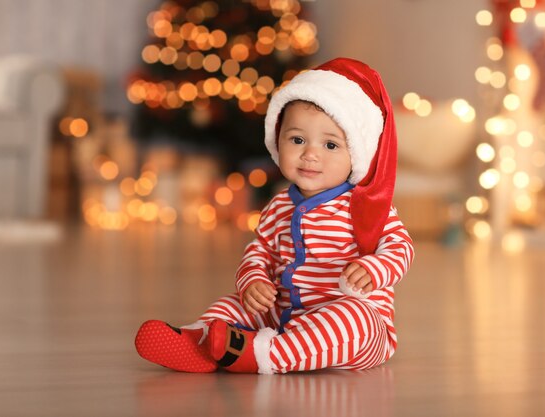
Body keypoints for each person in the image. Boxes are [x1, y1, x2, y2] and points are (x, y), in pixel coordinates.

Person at [135, 57, 414, 374]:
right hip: (282, 313)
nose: (310, 154)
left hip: (353, 317)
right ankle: (200, 340)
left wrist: (374, 267)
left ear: (358, 155)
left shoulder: (365, 206)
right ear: (277, 141)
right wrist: (252, 280)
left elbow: (400, 246)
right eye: (297, 140)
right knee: (234, 304)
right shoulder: (279, 205)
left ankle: (264, 355)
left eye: (331, 145)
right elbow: (260, 251)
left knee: (354, 322)